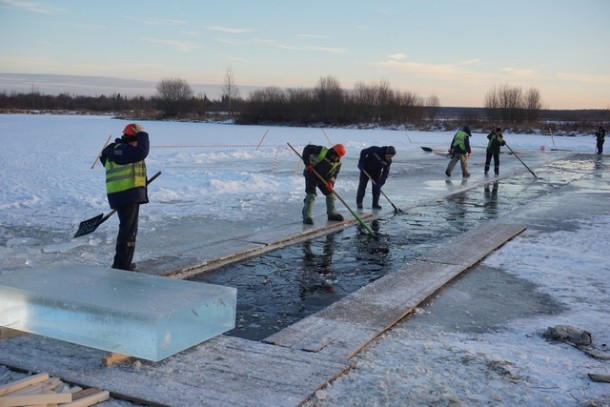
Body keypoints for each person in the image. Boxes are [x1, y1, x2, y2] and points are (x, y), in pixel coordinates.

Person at [100, 123, 150, 271]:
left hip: (127, 193)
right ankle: (122, 265)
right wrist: (143, 134)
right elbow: (141, 152)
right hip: (125, 194)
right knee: (128, 231)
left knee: (127, 230)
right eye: (137, 139)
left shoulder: (122, 151)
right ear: (131, 138)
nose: (138, 143)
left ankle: (122, 262)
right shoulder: (120, 150)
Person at [301, 144, 346, 225]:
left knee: (331, 195)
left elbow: (334, 174)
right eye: (336, 156)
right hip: (311, 175)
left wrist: (331, 182)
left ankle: (332, 213)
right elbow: (307, 149)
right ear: (333, 152)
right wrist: (308, 163)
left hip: (323, 180)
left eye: (339, 157)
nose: (337, 158)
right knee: (311, 195)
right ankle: (306, 216)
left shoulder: (337, 163)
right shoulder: (321, 150)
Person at [356, 145, 396, 210]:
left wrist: (381, 183)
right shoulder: (376, 150)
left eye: (392, 157)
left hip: (376, 172)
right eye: (389, 156)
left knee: (376, 189)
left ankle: (375, 204)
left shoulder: (388, 161)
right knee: (362, 186)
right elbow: (363, 152)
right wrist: (361, 162)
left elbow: (385, 173)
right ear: (387, 153)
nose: (390, 158)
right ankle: (359, 203)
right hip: (366, 169)